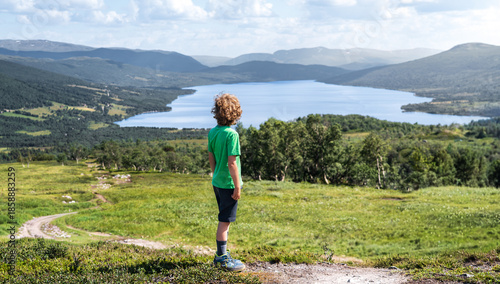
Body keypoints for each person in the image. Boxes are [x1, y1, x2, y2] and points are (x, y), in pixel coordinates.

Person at [208, 93, 245, 272]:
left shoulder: (213, 132)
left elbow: (211, 155)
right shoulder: (232, 135)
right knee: (225, 221)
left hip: (217, 181)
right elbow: (232, 163)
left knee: (224, 218)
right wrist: (237, 186)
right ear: (235, 113)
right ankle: (221, 258)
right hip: (228, 184)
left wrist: (215, 173)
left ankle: (222, 254)